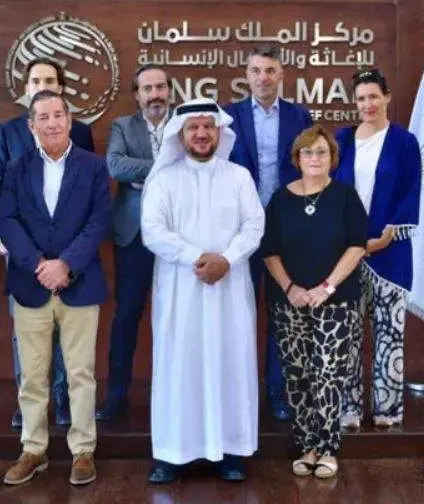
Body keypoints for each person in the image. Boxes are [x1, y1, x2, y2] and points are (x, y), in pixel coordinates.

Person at [141, 98, 264, 484]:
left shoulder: (239, 177)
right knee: (180, 366)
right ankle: (172, 453)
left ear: (218, 132)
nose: (200, 133)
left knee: (229, 364)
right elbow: (153, 232)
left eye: (207, 126)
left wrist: (226, 259)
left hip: (229, 290)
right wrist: (199, 257)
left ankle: (229, 450)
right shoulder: (163, 180)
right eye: (193, 127)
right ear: (180, 134)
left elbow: (254, 226)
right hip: (182, 292)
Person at [0, 90, 110, 487]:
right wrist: (39, 265)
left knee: (81, 373)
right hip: (30, 285)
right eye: (42, 117)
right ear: (31, 126)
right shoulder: (15, 168)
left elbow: (98, 222)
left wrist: (66, 264)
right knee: (32, 375)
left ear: (69, 120)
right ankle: (34, 450)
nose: (52, 123)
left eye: (58, 115)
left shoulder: (94, 166)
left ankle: (83, 452)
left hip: (79, 283)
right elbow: (7, 221)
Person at [0, 56, 95, 429]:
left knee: (69, 340)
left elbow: (86, 198)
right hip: (22, 252)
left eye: (51, 79)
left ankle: (64, 400)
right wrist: (1, 235)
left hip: (69, 257)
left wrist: (65, 261)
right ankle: (28, 405)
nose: (43, 84)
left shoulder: (79, 133)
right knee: (27, 338)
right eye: (36, 80)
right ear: (26, 89)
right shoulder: (8, 131)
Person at [262, 125, 367, 478]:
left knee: (329, 375)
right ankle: (307, 446)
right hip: (289, 301)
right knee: (297, 376)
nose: (315, 158)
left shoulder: (345, 196)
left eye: (322, 152)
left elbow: (357, 245)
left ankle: (328, 449)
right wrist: (290, 287)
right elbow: (269, 250)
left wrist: (327, 286)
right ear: (297, 158)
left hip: (335, 301)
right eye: (308, 152)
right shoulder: (280, 199)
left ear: (332, 158)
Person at [225, 44, 314, 421]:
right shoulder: (228, 117)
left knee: (282, 313)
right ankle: (238, 393)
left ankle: (278, 392)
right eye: (257, 71)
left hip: (284, 228)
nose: (263, 77)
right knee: (238, 311)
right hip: (239, 229)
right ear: (247, 76)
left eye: (270, 71)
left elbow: (310, 168)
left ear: (281, 75)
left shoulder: (299, 115)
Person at [334, 68, 421, 428]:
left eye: (374, 96)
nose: (368, 104)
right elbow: (331, 191)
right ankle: (349, 410)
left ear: (386, 96)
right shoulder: (342, 139)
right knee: (348, 335)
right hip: (346, 254)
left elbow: (410, 191)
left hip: (390, 251)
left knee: (389, 335)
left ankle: (387, 411)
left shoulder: (404, 142)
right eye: (361, 98)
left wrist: (386, 235)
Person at [96, 64, 172, 421]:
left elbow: (192, 163)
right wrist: (162, 168)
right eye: (147, 89)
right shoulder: (123, 127)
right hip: (134, 236)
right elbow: (115, 166)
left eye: (160, 88)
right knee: (126, 316)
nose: (154, 95)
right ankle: (116, 395)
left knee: (175, 317)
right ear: (137, 94)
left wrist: (143, 174)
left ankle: (173, 395)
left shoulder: (184, 125)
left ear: (169, 91)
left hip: (177, 238)